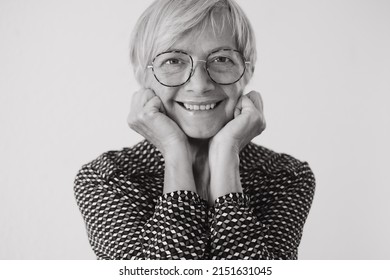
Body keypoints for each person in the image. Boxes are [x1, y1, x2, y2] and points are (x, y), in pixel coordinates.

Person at [74, 0, 315, 260]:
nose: (199, 85)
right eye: (173, 61)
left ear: (248, 70)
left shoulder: (285, 177)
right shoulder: (107, 179)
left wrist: (226, 156)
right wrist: (174, 151)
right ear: (142, 74)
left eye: (221, 59)